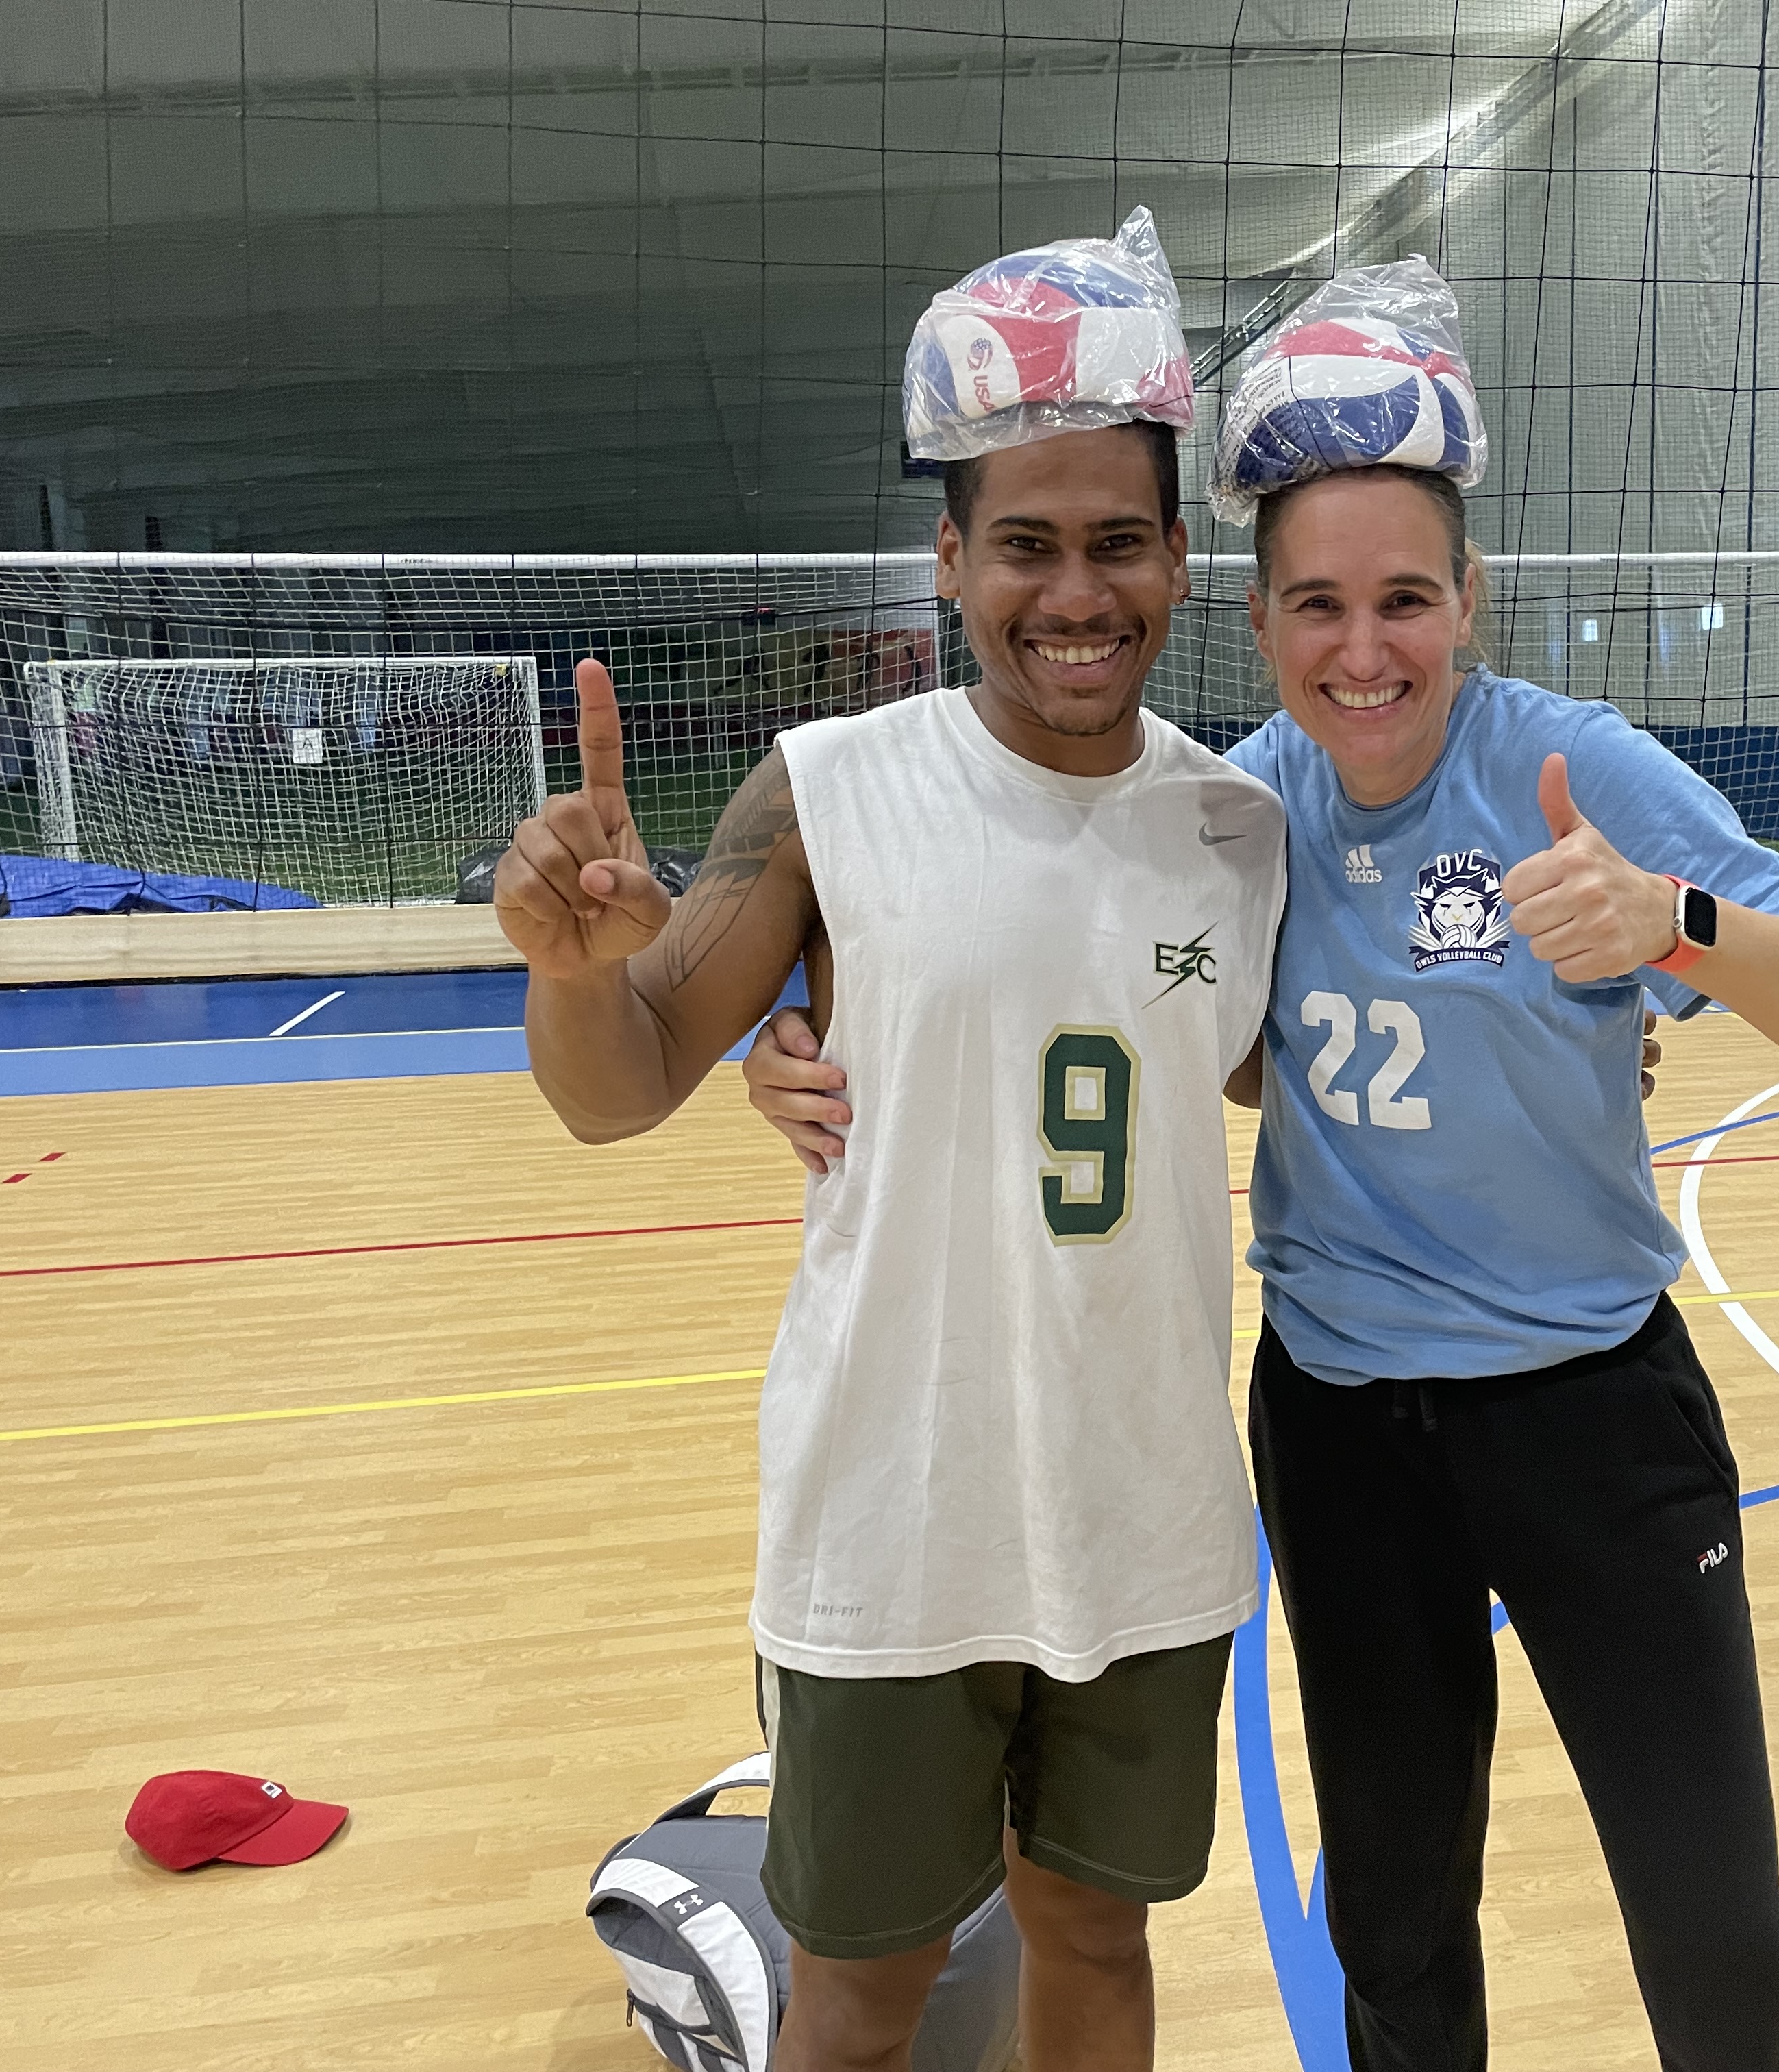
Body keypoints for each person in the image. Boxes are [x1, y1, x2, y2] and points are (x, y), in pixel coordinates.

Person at [748, 264, 1779, 2072]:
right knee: (1394, 1924)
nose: (1364, 650)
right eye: (1319, 604)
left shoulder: (1572, 769)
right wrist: (820, 1047)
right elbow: (1148, 1020)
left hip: (1592, 1414)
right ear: (1261, 618)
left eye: (1404, 600)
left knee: (1712, 1931)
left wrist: (1672, 924)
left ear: (1469, 599)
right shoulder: (1239, 814)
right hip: (1347, 1428)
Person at [496, 212, 1286, 2072]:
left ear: (1180, 561)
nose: (1074, 593)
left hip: (1147, 1514)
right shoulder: (830, 791)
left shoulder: (1239, 831)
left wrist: (1573, 1026)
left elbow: (1311, 1071)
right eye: (1026, 545)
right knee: (862, 1988)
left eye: (1117, 544)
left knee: (1097, 1943)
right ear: (950, 560)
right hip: (893, 1519)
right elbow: (619, 1085)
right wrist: (571, 970)